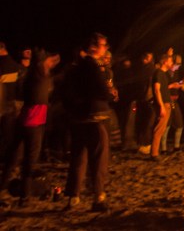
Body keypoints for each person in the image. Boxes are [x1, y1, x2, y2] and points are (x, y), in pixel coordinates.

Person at [62, 33, 114, 212]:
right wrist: (110, 94)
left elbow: (65, 94)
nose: (105, 48)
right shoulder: (92, 66)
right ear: (93, 47)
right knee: (99, 158)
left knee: (78, 158)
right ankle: (98, 197)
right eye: (103, 44)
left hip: (78, 120)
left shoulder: (73, 68)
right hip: (95, 118)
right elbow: (102, 90)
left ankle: (73, 197)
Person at [0, 49, 59, 205]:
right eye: (48, 61)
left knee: (13, 156)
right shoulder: (39, 78)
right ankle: (24, 197)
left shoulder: (31, 75)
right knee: (30, 160)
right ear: (42, 62)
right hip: (34, 122)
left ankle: (1, 188)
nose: (50, 63)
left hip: (23, 119)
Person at [146, 54, 174, 159]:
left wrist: (172, 86)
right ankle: (154, 154)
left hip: (166, 103)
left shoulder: (163, 74)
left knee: (161, 129)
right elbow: (157, 89)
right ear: (165, 62)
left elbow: (162, 88)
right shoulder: (158, 73)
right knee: (159, 129)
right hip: (163, 104)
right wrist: (161, 105)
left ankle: (155, 152)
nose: (172, 63)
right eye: (170, 61)